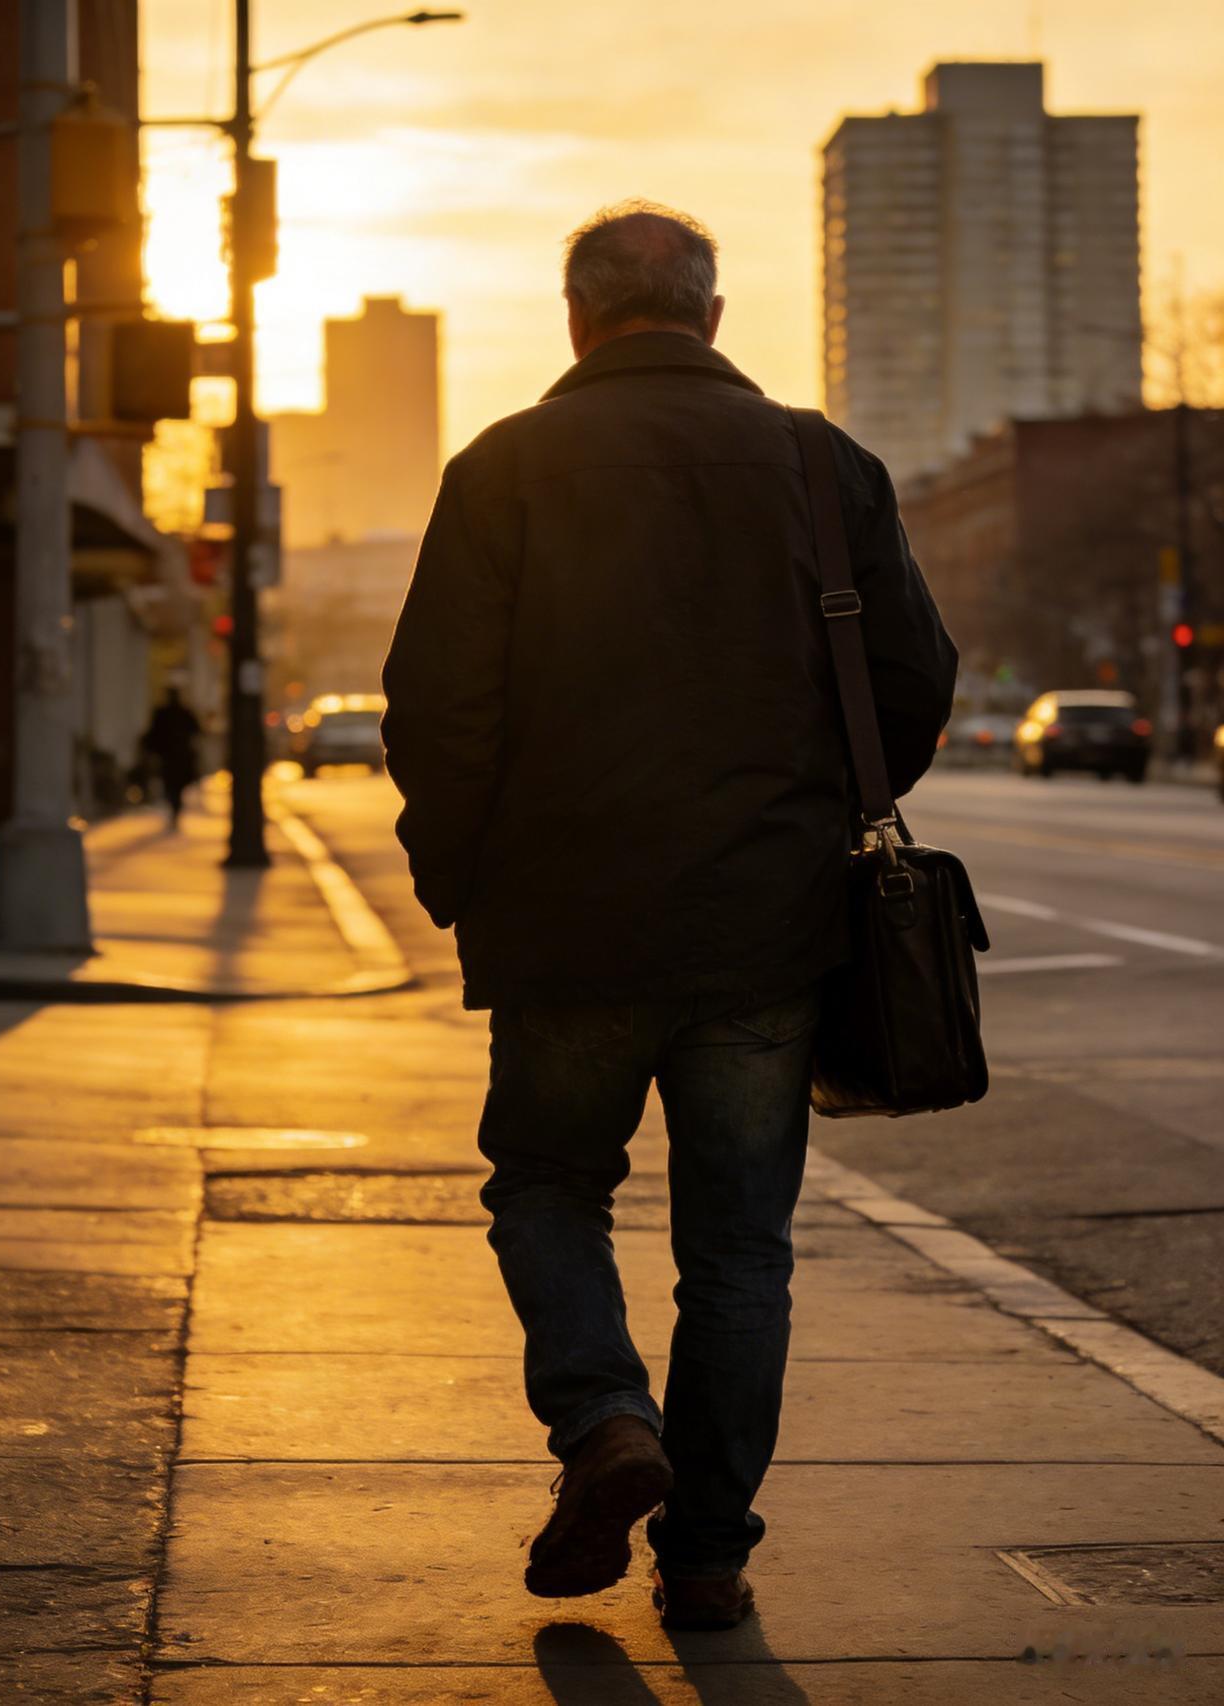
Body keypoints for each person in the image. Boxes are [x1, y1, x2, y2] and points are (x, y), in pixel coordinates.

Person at [381, 201, 957, 1631]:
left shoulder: (503, 469)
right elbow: (915, 675)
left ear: (576, 320)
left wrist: (461, 877)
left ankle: (601, 1420)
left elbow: (436, 710)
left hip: (563, 923)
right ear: (710, 315)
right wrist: (817, 816)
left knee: (546, 1184)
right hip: (764, 932)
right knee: (739, 1248)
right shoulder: (822, 466)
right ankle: (705, 1554)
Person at [142, 687, 201, 827]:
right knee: (174, 786)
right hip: (176, 757)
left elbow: (152, 734)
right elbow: (196, 731)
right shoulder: (182, 713)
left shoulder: (164, 713)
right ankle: (175, 809)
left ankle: (175, 809)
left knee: (171, 786)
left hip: (170, 757)